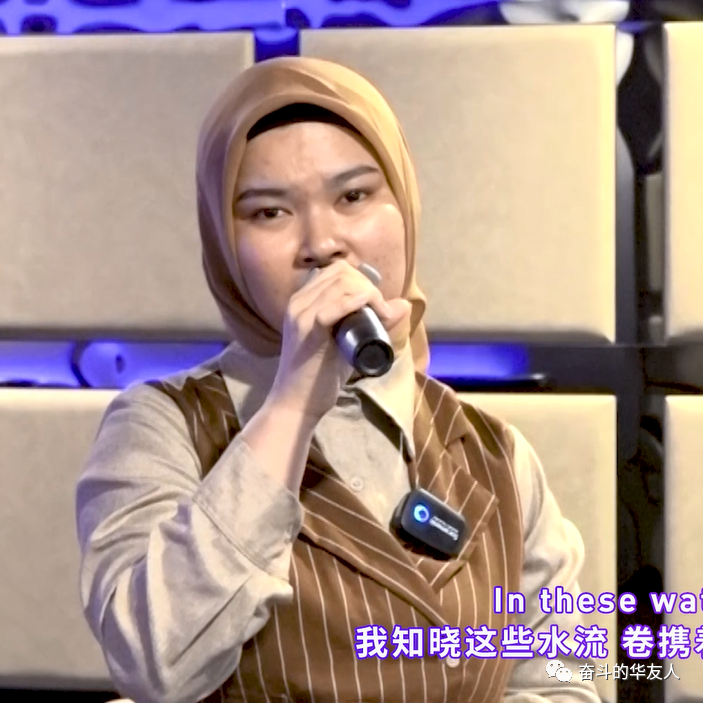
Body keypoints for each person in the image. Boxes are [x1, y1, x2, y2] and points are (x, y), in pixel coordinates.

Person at [76, 56, 599, 703]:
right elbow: (155, 663)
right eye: (270, 212)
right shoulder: (162, 426)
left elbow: (564, 683)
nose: (321, 242)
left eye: (353, 196)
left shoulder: (496, 456)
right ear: (223, 244)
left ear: (404, 207)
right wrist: (292, 404)